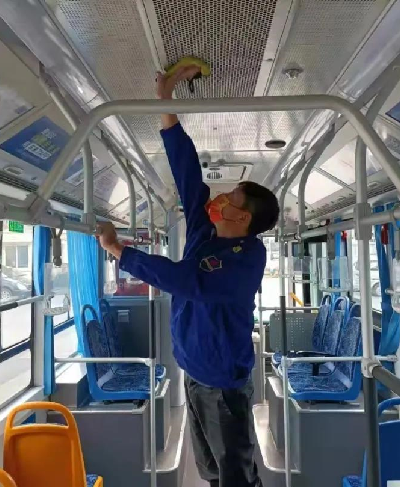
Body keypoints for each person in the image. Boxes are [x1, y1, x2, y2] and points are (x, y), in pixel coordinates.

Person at [96, 65, 279, 487]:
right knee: (211, 470)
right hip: (195, 376)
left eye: (230, 197)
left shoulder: (247, 258)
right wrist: (166, 102)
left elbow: (186, 280)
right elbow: (188, 176)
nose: (219, 197)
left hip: (223, 387)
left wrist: (119, 251)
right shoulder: (205, 231)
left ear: (243, 218)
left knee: (236, 477)